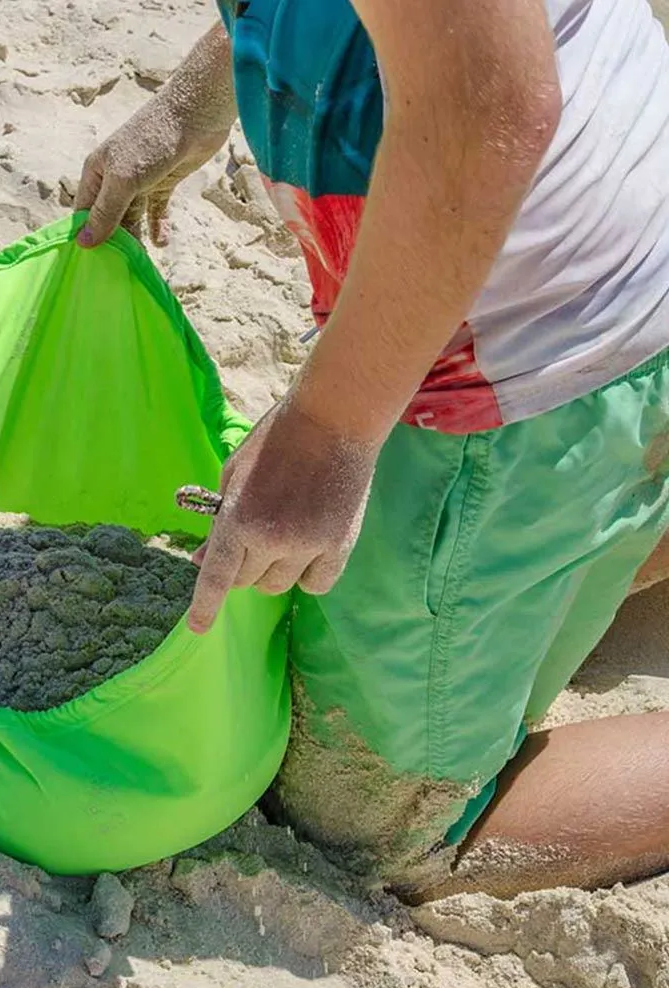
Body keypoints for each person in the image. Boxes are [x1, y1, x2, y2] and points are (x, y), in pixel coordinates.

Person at [74, 0, 669, 899]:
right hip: (611, 257)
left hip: (526, 366)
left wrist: (327, 433)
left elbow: (488, 103)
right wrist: (196, 97)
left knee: (370, 829)